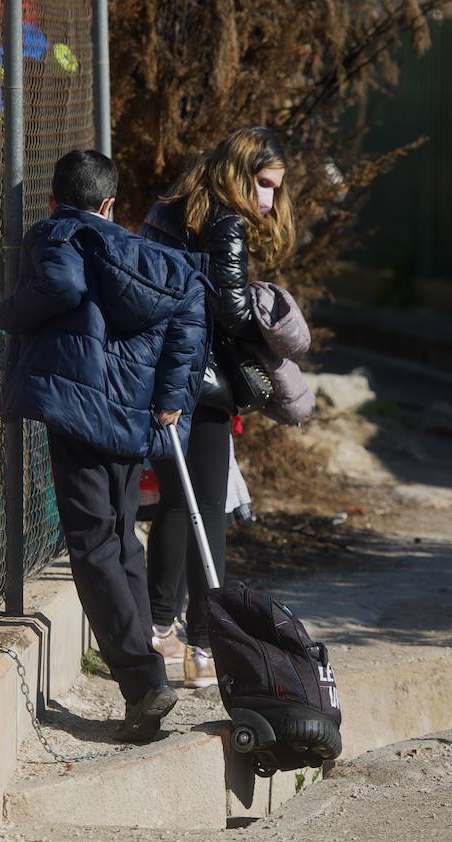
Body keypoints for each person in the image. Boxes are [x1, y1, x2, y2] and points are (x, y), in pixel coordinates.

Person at [0, 150, 208, 742]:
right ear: (111, 203)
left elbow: (61, 285)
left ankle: (143, 682)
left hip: (77, 409)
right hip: (132, 414)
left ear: (51, 199)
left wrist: (5, 309)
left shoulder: (57, 233)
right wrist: (171, 397)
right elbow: (190, 314)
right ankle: (147, 667)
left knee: (91, 544)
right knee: (120, 538)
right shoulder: (146, 254)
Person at [140, 126, 297, 688]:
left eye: (275, 187)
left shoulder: (167, 209)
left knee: (174, 504)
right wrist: (270, 323)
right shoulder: (226, 222)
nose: (268, 199)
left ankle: (158, 631)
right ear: (239, 173)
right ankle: (205, 648)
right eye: (263, 183)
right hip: (203, 380)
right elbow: (231, 311)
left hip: (159, 373)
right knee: (209, 509)